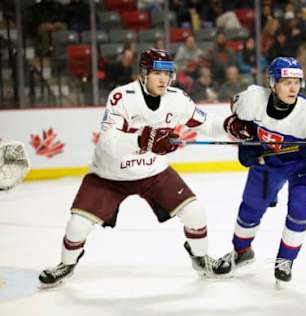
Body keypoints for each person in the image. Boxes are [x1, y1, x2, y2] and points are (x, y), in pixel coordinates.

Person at [39, 48, 225, 288]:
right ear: (143, 73)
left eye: (167, 74)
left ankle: (201, 259)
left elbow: (207, 124)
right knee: (77, 225)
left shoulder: (177, 98)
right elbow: (107, 142)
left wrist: (234, 126)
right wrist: (143, 140)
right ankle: (66, 264)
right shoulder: (122, 97)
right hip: (109, 175)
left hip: (153, 172)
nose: (163, 80)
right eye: (157, 73)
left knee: (195, 213)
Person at [212, 57, 306, 286]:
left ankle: (285, 260)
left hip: (305, 163)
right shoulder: (253, 99)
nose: (293, 88)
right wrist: (242, 134)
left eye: (296, 82)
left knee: (300, 207)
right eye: (286, 82)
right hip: (270, 159)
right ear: (273, 83)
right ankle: (241, 252)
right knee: (250, 207)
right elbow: (234, 114)